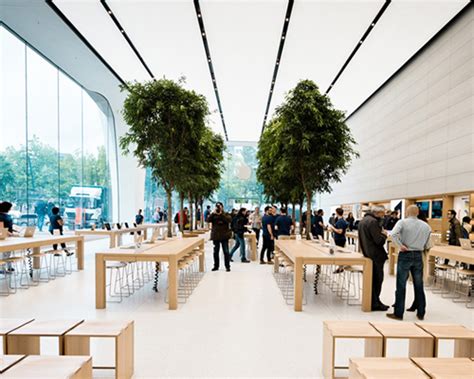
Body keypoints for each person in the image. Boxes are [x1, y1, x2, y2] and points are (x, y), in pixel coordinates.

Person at [387, 205, 431, 321]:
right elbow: (428, 244)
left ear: (406, 212)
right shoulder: (426, 226)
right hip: (418, 255)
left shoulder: (402, 222)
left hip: (405, 254)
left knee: (401, 284)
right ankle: (421, 312)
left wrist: (400, 246)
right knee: (419, 284)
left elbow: (393, 234)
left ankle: (398, 313)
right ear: (418, 213)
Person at [358, 205, 389, 311]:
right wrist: (384, 235)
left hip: (368, 253)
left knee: (372, 280)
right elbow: (379, 241)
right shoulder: (373, 222)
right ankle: (375, 303)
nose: (384, 215)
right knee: (377, 280)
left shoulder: (363, 221)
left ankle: (373, 301)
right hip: (376, 255)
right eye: (383, 213)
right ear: (378, 213)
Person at [208, 202, 232, 272]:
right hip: (216, 236)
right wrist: (213, 213)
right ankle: (216, 266)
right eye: (217, 207)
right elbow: (208, 220)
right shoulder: (213, 214)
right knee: (216, 252)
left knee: (226, 252)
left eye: (220, 206)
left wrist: (221, 214)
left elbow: (229, 220)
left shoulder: (226, 214)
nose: (218, 208)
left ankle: (227, 266)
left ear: (222, 207)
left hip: (224, 235)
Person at [330, 208, 349, 273]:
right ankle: (340, 267)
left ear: (337, 213)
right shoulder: (341, 220)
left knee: (340, 254)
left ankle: (340, 268)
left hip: (340, 239)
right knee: (339, 254)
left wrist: (333, 228)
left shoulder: (340, 221)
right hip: (339, 239)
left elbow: (340, 231)